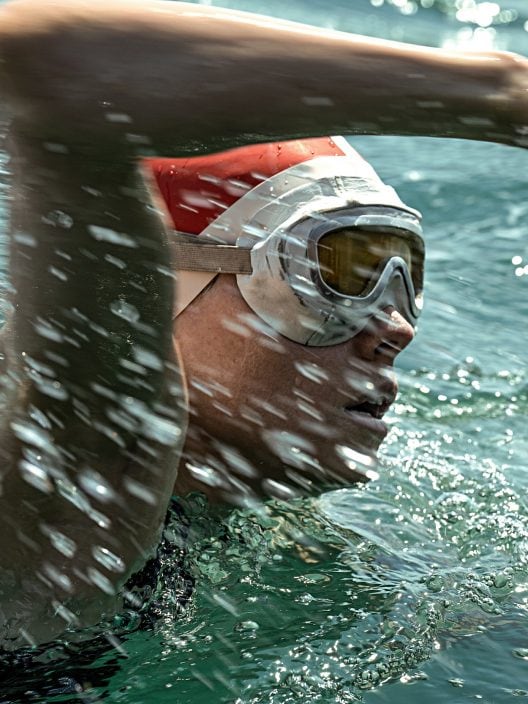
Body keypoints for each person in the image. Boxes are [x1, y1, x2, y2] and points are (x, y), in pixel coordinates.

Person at [0, 0, 526, 650]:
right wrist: (506, 94)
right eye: (335, 270)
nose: (395, 327)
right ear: (152, 295)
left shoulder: (237, 520)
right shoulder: (81, 482)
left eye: (403, 276)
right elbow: (52, 67)